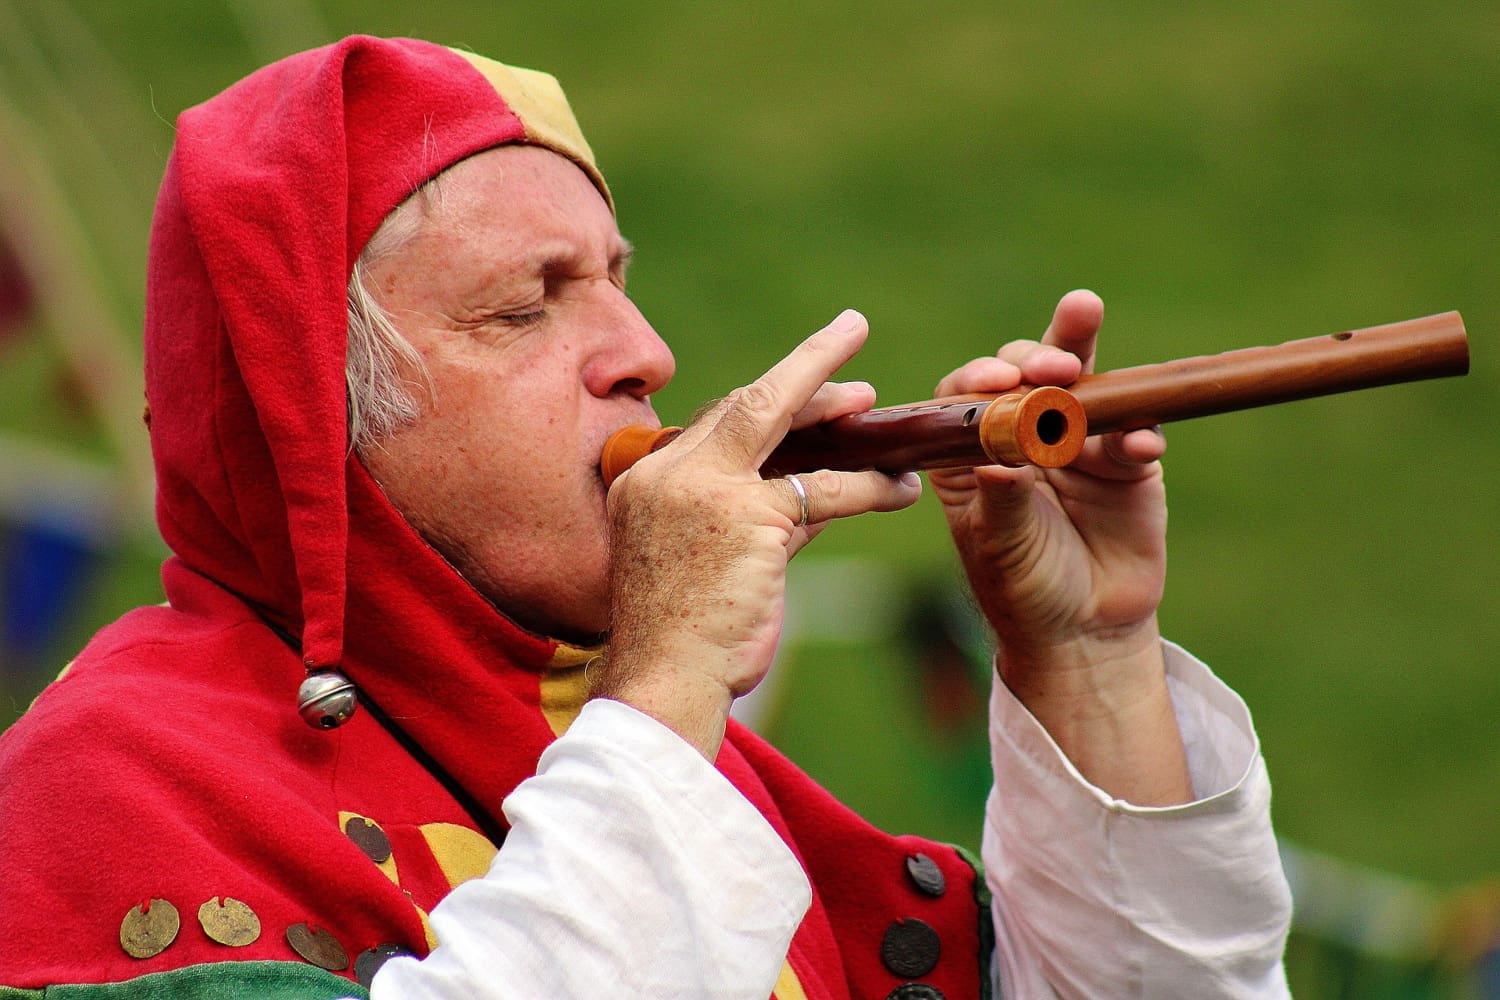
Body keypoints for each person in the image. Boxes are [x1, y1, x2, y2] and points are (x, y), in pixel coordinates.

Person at [0, 35, 1291, 998]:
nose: (648, 355)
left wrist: (1089, 662)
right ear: (309, 422)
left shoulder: (659, 762)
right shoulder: (106, 792)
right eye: (527, 305)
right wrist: (670, 674)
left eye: (618, 283)